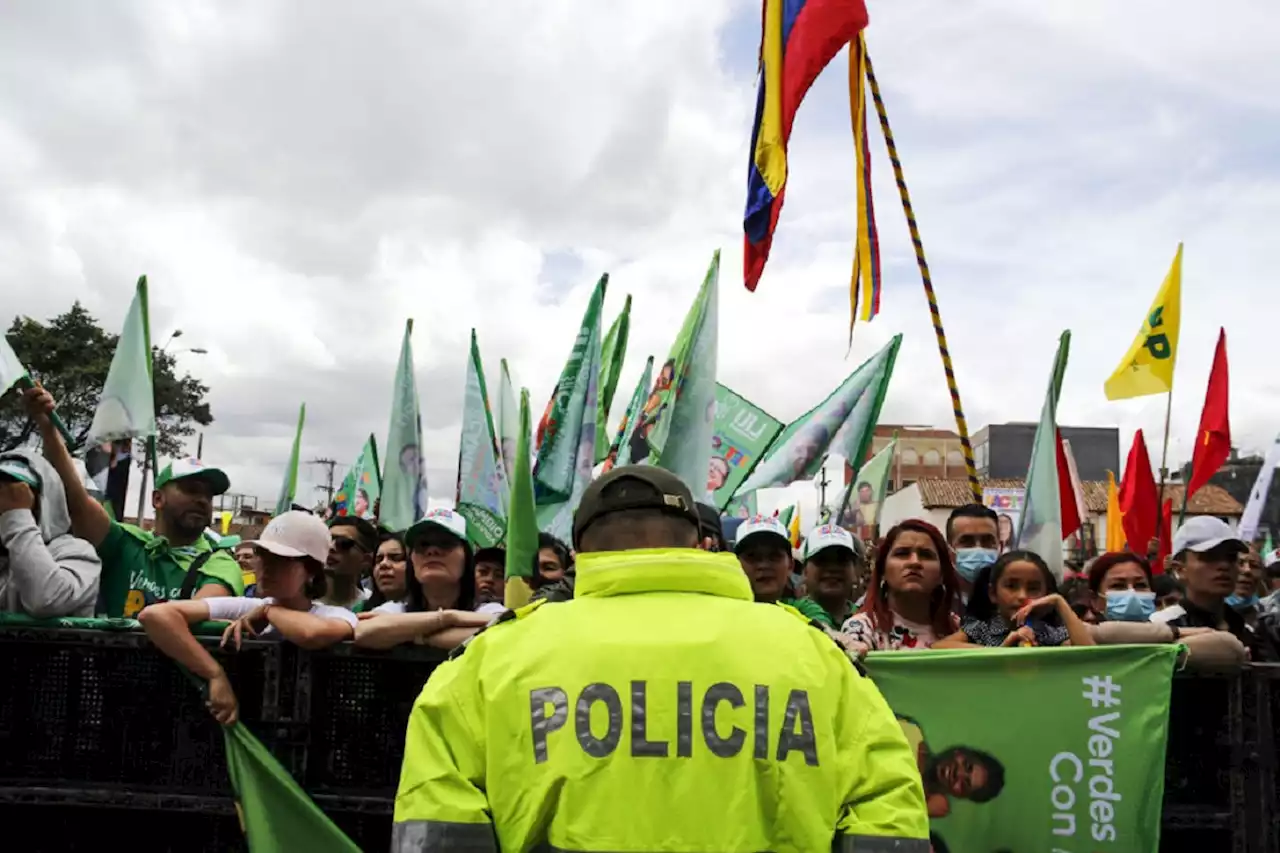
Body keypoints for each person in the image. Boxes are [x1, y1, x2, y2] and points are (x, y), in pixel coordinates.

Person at [393, 465, 929, 850]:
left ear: (579, 553)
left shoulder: (489, 661)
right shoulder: (813, 653)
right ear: (699, 544)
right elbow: (888, 807)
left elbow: (437, 827)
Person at [138, 511, 358, 725]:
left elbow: (312, 634)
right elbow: (155, 615)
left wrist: (268, 612)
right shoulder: (245, 607)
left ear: (312, 571)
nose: (267, 567)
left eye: (282, 559)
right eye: (263, 555)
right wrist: (214, 674)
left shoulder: (335, 614)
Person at [354, 509, 497, 649]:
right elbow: (364, 632)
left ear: (467, 558)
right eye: (423, 545)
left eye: (445, 543)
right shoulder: (397, 609)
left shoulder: (488, 609)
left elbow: (504, 634)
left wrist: (418, 636)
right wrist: (448, 619)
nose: (432, 551)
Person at [1161, 517, 1279, 661]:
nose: (1224, 565)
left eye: (1231, 558)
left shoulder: (1249, 630)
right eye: (1210, 557)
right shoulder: (1161, 626)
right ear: (1179, 569)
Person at [0, 450, 101, 617]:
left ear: (46, 501)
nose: (6, 503)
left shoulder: (78, 552)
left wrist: (17, 516)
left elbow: (45, 599)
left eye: (19, 494)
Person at [842, 520, 961, 651]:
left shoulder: (956, 628)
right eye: (902, 554)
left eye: (926, 555)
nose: (914, 562)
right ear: (883, 570)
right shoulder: (862, 630)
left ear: (942, 573)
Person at [935, 551, 1095, 648]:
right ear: (992, 593)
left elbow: (1090, 657)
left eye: (1033, 588)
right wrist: (1000, 652)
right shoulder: (981, 629)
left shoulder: (1050, 633)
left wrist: (1059, 601)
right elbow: (939, 648)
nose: (1022, 596)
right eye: (1011, 586)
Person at [897, 715, 1005, 819]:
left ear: (959, 796)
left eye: (965, 784)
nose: (958, 773)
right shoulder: (910, 731)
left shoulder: (921, 805)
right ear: (959, 751)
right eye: (967, 765)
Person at [733, 514, 830, 624]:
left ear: (790, 565)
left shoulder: (806, 610)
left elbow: (824, 631)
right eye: (752, 557)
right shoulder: (725, 611)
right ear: (735, 564)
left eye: (774, 556)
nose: (764, 565)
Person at [799, 523, 863, 627]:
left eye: (842, 560)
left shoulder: (870, 621)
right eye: (822, 559)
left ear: (855, 571)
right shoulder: (789, 615)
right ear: (805, 571)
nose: (833, 568)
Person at [945, 504, 1000, 603]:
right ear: (949, 550)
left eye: (987, 540)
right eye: (966, 541)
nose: (978, 548)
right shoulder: (936, 603)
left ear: (1001, 547)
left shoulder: (1011, 603)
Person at [322, 515, 376, 611]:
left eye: (343, 543)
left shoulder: (372, 606)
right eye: (327, 540)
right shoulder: (298, 600)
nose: (331, 547)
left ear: (366, 560)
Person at [365, 531, 409, 611]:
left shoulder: (430, 611)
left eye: (396, 558)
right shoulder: (360, 609)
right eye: (378, 560)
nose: (383, 564)